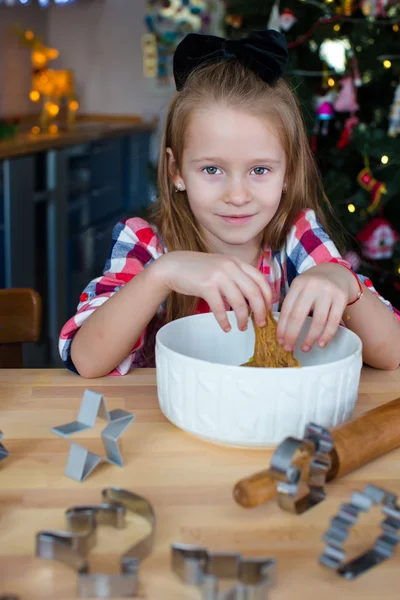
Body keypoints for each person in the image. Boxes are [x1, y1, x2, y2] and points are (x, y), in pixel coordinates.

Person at [59, 30, 400, 378]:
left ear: (288, 173)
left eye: (260, 170)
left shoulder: (295, 236)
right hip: (171, 424)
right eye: (212, 169)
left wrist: (344, 282)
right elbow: (87, 360)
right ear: (176, 171)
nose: (237, 196)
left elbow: (392, 354)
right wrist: (162, 275)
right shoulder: (147, 243)